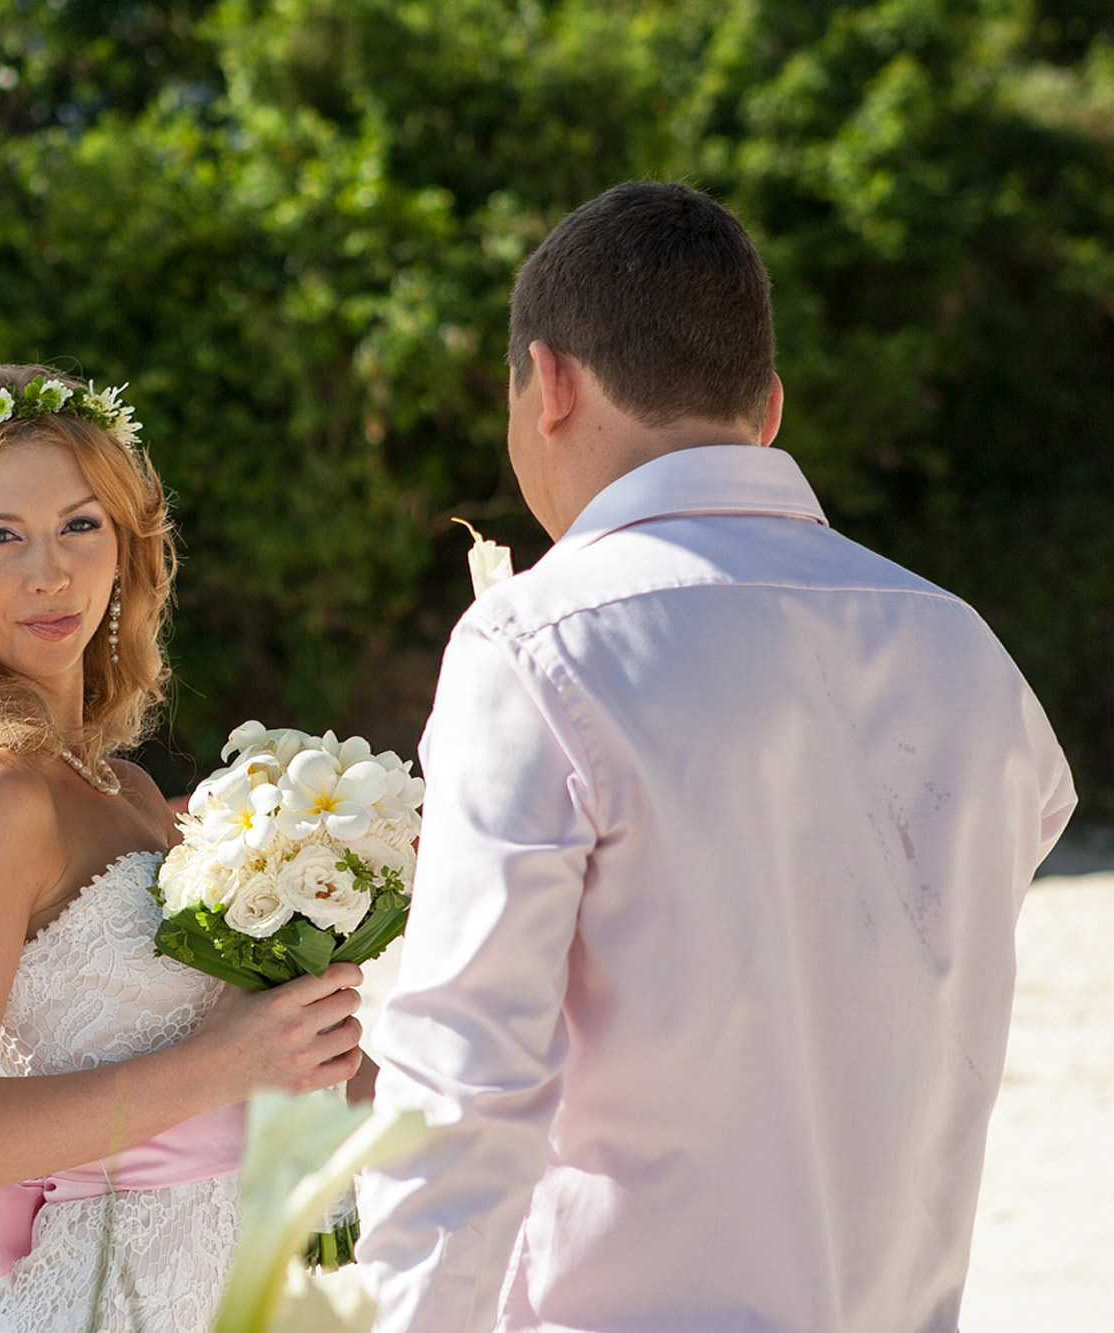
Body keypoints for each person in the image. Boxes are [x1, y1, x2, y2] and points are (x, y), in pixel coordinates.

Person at [356, 182, 1076, 1332]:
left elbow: (464, 1078)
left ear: (547, 382)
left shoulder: (539, 642)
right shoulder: (961, 648)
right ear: (771, 407)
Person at [0, 363, 366, 1332]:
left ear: (126, 549)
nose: (48, 572)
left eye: (79, 526)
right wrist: (226, 1062)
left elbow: (251, 1074)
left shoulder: (121, 788)